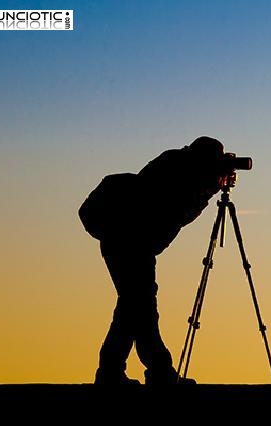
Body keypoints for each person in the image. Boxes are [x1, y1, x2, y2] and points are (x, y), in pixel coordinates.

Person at [78, 136, 229, 386]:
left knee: (134, 304)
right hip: (129, 239)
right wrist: (209, 188)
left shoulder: (175, 163)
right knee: (140, 303)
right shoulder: (177, 169)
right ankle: (155, 369)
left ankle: (115, 371)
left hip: (128, 240)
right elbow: (176, 213)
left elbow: (174, 214)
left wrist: (209, 187)